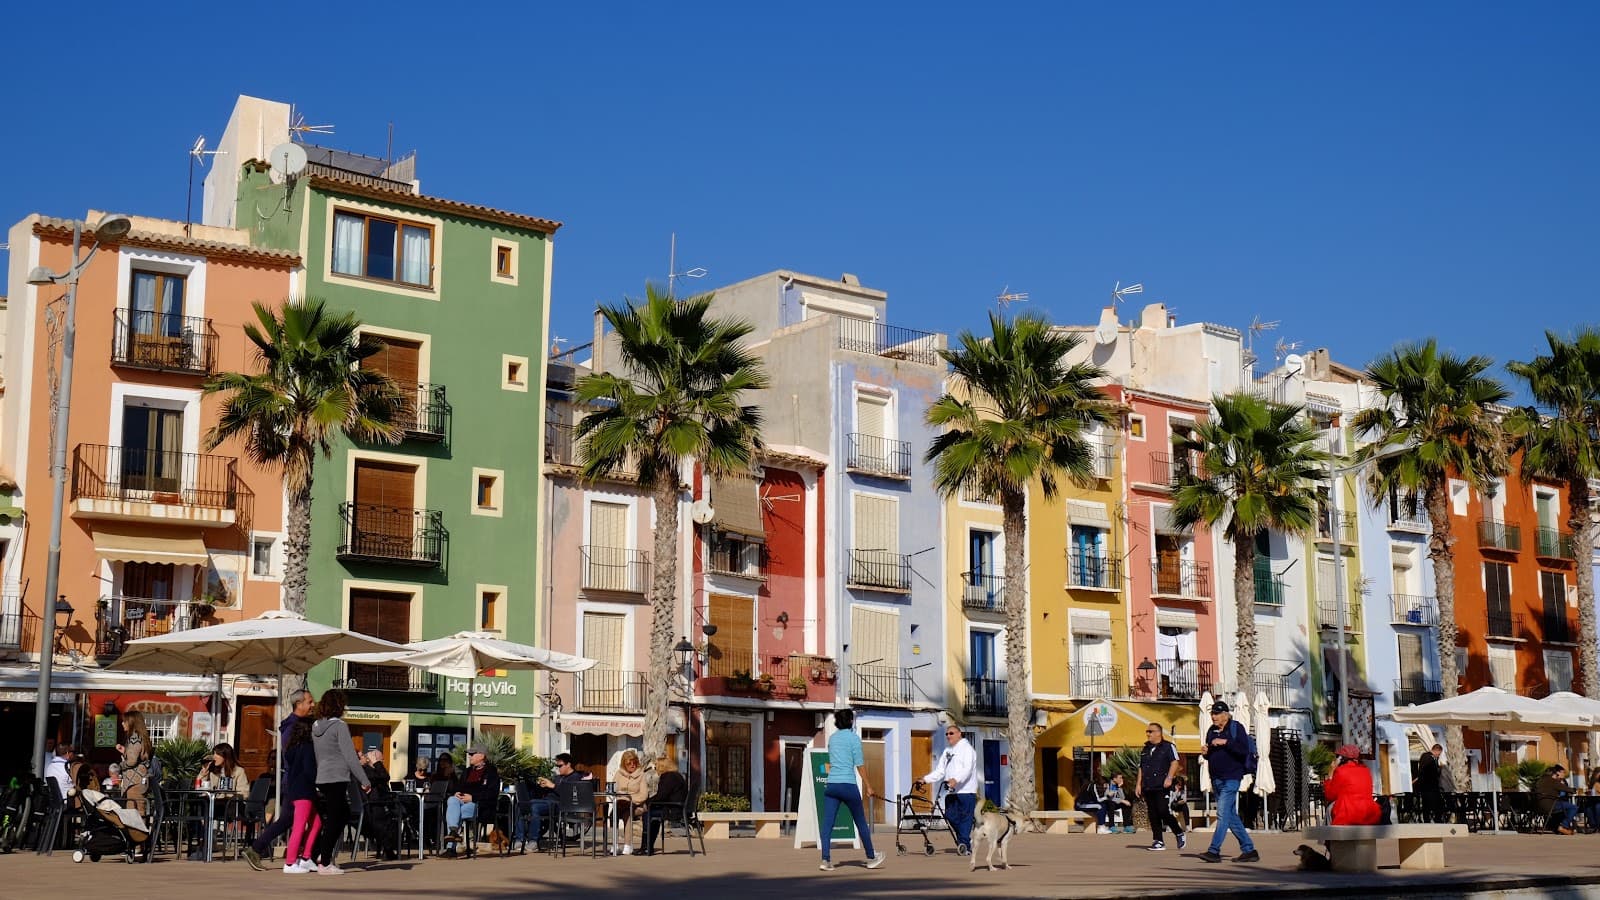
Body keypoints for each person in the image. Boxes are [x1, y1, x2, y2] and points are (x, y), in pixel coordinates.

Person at [245, 688, 318, 871]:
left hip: (294, 781)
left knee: (287, 820)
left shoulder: (296, 725)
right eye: (309, 702)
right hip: (297, 782)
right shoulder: (293, 728)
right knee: (298, 820)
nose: (313, 705)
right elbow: (292, 754)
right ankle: (294, 859)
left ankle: (257, 848)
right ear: (298, 704)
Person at [309, 690, 371, 875]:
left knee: (339, 816)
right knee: (337, 819)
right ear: (339, 705)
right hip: (337, 777)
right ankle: (324, 861)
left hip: (322, 777)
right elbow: (350, 756)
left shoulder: (316, 726)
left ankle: (315, 855)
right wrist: (364, 779)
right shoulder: (340, 726)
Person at [817, 709, 886, 871]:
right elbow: (859, 765)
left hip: (832, 784)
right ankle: (871, 857)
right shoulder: (854, 739)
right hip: (848, 784)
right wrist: (868, 786)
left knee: (827, 824)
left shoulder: (832, 739)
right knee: (861, 822)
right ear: (850, 721)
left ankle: (825, 860)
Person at [1198, 700, 1257, 863]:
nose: (1213, 717)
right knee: (1230, 815)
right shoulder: (1211, 730)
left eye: (1216, 714)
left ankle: (1214, 851)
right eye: (1212, 714)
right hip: (1216, 777)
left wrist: (1226, 742)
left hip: (1232, 777)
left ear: (1225, 714)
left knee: (1222, 813)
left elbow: (1243, 750)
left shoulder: (1236, 727)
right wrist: (1206, 753)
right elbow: (1210, 754)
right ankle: (1249, 850)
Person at [921, 724, 979, 851]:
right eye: (946, 734)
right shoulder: (947, 751)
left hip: (966, 791)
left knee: (965, 818)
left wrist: (956, 780)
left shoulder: (967, 749)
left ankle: (964, 844)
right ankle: (965, 839)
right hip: (951, 792)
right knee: (950, 815)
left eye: (951, 733)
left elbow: (967, 769)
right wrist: (925, 779)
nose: (948, 736)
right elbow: (940, 771)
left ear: (959, 734)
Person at [278, 717, 322, 874]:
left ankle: (306, 858)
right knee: (299, 826)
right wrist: (318, 783)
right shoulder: (308, 747)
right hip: (305, 790)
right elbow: (310, 770)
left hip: (294, 789)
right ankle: (290, 863)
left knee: (316, 823)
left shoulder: (291, 748)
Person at [523, 752, 591, 850]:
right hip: (548, 802)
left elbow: (570, 795)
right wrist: (543, 786)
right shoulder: (558, 777)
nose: (558, 768)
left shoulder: (575, 777)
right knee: (522, 805)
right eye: (557, 766)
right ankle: (519, 839)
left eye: (560, 765)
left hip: (561, 805)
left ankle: (533, 841)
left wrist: (553, 786)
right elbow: (549, 791)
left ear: (568, 764)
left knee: (535, 807)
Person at [443, 745, 501, 856]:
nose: (469, 756)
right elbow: (458, 787)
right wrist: (456, 792)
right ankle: (454, 832)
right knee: (452, 800)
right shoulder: (467, 771)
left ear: (482, 756)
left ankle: (451, 848)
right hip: (462, 801)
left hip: (480, 805)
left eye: (472, 754)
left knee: (455, 813)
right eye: (469, 754)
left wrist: (473, 798)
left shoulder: (491, 772)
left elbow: (492, 794)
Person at [1138, 722, 1186, 851]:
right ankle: (1158, 840)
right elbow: (1141, 768)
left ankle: (1179, 832)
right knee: (1153, 814)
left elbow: (1175, 762)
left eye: (1151, 731)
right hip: (1148, 785)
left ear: (1159, 733)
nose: (1148, 734)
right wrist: (1138, 784)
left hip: (1162, 785)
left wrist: (1169, 777)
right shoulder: (1145, 749)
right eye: (1147, 732)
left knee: (1163, 811)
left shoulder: (1168, 746)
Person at [639, 753, 687, 856]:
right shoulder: (676, 776)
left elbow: (661, 796)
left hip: (673, 810)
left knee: (647, 814)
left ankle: (645, 847)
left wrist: (646, 802)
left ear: (662, 766)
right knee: (653, 815)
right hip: (678, 808)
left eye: (656, 765)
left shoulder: (668, 777)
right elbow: (663, 796)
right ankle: (648, 847)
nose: (655, 767)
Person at [1324, 744, 1382, 826]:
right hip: (1369, 814)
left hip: (1347, 814)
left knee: (1330, 808)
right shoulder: (1366, 771)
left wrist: (1330, 774)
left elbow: (1329, 795)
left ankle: (1328, 837)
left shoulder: (1340, 771)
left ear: (1341, 759)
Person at [611, 749, 648, 855]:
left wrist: (629, 798)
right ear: (624, 764)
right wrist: (620, 797)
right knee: (612, 814)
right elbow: (613, 790)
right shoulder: (618, 774)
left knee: (627, 814)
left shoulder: (641, 775)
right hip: (620, 803)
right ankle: (615, 844)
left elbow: (644, 794)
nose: (632, 765)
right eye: (629, 763)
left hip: (637, 805)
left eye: (634, 763)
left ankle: (628, 845)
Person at [116, 710, 152, 812]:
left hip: (134, 781)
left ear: (131, 722)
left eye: (125, 721)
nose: (123, 723)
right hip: (141, 778)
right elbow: (138, 755)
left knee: (134, 810)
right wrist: (124, 751)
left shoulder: (134, 738)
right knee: (139, 808)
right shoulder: (142, 737)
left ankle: (138, 829)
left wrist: (120, 766)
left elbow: (132, 761)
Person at [1534, 764, 1578, 835]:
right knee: (1574, 807)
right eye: (1556, 775)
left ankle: (1556, 827)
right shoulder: (1553, 781)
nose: (1557, 776)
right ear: (1553, 774)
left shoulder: (1538, 781)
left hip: (1538, 807)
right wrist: (1574, 790)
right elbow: (1569, 790)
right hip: (1550, 806)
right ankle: (1563, 826)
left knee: (1563, 807)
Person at [1415, 743, 1444, 823]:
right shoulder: (1429, 758)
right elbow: (1430, 773)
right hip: (1430, 787)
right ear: (1437, 750)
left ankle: (1427, 820)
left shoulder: (1425, 756)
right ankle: (1436, 819)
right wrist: (1439, 769)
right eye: (1439, 753)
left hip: (1426, 787)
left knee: (1426, 805)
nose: (1439, 755)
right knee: (1438, 804)